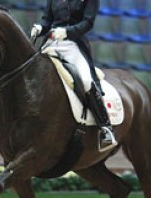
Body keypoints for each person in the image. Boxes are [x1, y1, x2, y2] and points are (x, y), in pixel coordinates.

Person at [31, 0, 117, 150]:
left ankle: (105, 127)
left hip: (73, 44)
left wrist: (67, 32)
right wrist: (40, 28)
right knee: (30, 76)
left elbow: (88, 22)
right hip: (51, 43)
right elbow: (47, 20)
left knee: (85, 81)